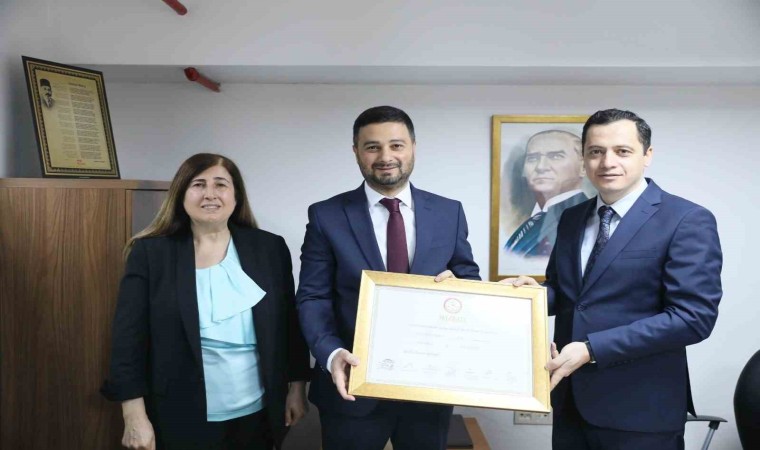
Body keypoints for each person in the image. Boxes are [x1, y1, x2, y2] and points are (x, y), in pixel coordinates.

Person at [505, 109, 722, 450]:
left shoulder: (686, 219)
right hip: (570, 402)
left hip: (642, 409)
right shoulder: (571, 217)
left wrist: (592, 349)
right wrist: (529, 297)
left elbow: (693, 318)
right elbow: (569, 294)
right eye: (596, 151)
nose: (607, 162)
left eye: (622, 151)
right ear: (584, 158)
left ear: (647, 155)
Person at [296, 106, 480, 450]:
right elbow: (313, 296)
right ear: (356, 152)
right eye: (372, 147)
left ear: (413, 147)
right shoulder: (326, 215)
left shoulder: (449, 212)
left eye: (396, 145)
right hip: (350, 386)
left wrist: (459, 292)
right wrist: (331, 354)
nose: (385, 157)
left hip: (429, 388)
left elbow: (469, 281)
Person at [101, 153, 310, 450]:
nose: (210, 194)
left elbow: (290, 324)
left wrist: (297, 387)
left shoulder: (269, 248)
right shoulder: (151, 254)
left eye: (221, 184)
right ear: (181, 194)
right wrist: (133, 415)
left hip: (259, 414)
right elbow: (128, 340)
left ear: (236, 195)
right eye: (198, 184)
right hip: (178, 414)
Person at [505, 130, 588, 256]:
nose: (540, 167)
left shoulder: (586, 219)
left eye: (555, 156)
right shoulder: (534, 219)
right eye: (532, 158)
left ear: (583, 167)